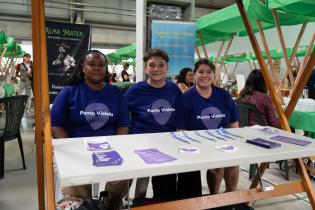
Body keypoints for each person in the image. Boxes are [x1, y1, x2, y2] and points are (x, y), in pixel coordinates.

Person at [50, 50, 131, 209]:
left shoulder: (115, 92)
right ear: (82, 67)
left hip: (110, 148)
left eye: (101, 65)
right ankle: (85, 205)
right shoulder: (69, 91)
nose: (97, 68)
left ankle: (111, 203)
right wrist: (70, 148)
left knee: (126, 171)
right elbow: (55, 124)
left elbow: (123, 124)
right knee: (79, 195)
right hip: (76, 149)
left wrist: (117, 146)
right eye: (92, 64)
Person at [176, 58, 240, 197]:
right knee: (215, 167)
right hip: (197, 143)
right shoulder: (186, 97)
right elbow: (182, 130)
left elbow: (234, 122)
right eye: (201, 72)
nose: (205, 75)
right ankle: (214, 196)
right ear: (194, 74)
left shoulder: (223, 95)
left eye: (209, 72)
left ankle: (231, 196)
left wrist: (235, 144)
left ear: (214, 75)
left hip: (223, 139)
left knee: (234, 161)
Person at [125, 48, 181, 201]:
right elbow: (121, 114)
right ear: (145, 68)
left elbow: (180, 113)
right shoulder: (135, 90)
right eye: (152, 65)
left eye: (161, 65)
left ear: (167, 68)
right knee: (133, 183)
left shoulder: (173, 88)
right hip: (140, 143)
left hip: (167, 143)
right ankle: (134, 202)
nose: (156, 69)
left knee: (166, 190)